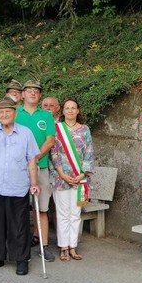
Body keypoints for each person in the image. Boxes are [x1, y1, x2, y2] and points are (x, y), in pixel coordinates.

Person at [0, 97, 40, 275]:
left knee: (19, 224)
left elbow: (32, 161)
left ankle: (21, 259)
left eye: (8, 111)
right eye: (1, 112)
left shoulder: (26, 133)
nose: (4, 115)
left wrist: (34, 183)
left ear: (14, 113)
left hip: (18, 185)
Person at [16, 80, 57, 262]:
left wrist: (35, 157)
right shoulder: (15, 113)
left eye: (36, 91)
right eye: (29, 90)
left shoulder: (46, 116)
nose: (33, 93)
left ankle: (44, 246)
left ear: (39, 96)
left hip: (40, 167)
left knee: (41, 208)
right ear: (22, 94)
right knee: (18, 208)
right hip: (17, 169)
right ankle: (20, 244)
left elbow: (50, 140)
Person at [51, 98, 95, 261]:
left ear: (78, 111)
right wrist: (62, 174)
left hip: (80, 179)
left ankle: (73, 246)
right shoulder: (57, 129)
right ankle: (63, 246)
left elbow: (89, 152)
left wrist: (82, 174)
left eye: (73, 108)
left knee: (75, 213)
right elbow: (54, 153)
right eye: (67, 108)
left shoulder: (85, 130)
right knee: (62, 213)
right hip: (60, 178)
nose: (70, 111)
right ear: (62, 111)